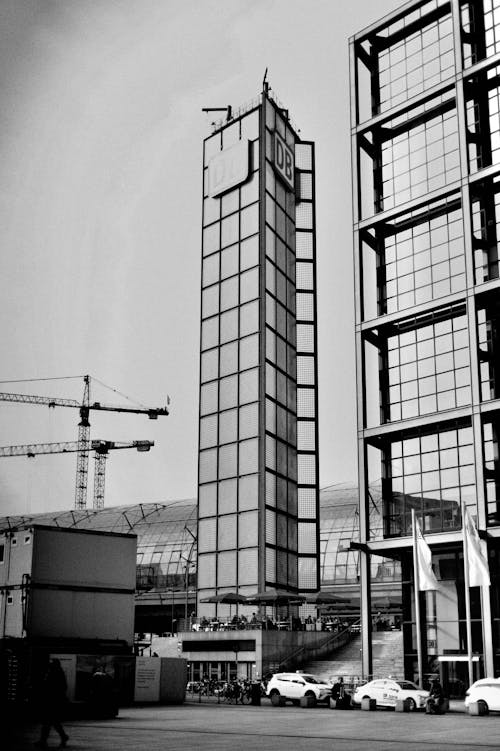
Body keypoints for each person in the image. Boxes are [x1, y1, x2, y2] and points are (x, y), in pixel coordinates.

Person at [35, 658, 69, 748]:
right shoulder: (58, 673)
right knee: (53, 722)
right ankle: (62, 736)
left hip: (52, 701)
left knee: (48, 722)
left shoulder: (53, 673)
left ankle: (43, 740)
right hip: (54, 701)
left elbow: (49, 687)